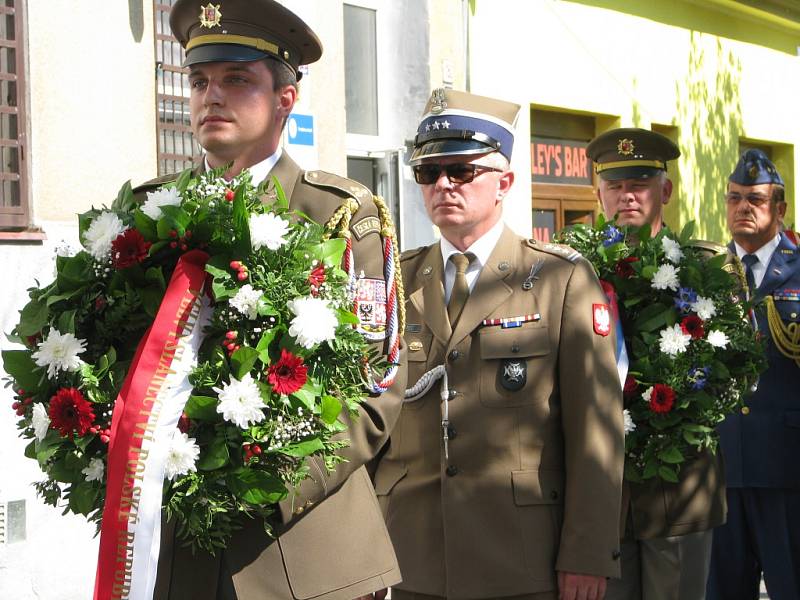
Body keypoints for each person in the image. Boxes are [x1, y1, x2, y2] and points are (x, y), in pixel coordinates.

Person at [140, 1, 407, 598]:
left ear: (286, 98)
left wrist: (263, 486)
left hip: (301, 553)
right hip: (176, 553)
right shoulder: (148, 213)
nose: (213, 96)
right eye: (201, 80)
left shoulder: (339, 215)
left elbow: (377, 384)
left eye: (237, 79)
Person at [373, 88, 624, 600]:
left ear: (504, 182)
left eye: (461, 171)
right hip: (411, 558)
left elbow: (595, 432)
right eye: (428, 172)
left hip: (521, 559)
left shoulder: (560, 280)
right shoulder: (395, 280)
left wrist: (588, 552)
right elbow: (370, 420)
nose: (443, 184)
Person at [586, 128, 726, 600]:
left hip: (679, 487)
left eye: (640, 183)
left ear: (664, 190)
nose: (626, 195)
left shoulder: (706, 269)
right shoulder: (573, 271)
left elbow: (730, 378)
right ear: (598, 191)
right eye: (615, 184)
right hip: (603, 491)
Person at [707, 149, 800, 600]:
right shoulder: (705, 272)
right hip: (720, 469)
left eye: (756, 200)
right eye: (735, 198)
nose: (743, 207)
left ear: (780, 209)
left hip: (787, 468)